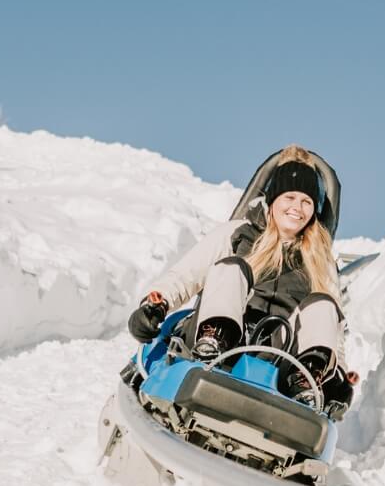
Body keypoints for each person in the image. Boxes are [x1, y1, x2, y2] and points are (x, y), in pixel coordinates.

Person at [128, 146, 356, 418]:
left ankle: (305, 383)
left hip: (279, 356)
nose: (297, 208)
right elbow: (184, 276)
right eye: (290, 197)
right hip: (218, 343)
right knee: (232, 268)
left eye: (306, 201)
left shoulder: (319, 260)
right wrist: (156, 304)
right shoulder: (236, 234)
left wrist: (338, 374)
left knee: (323, 304)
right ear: (272, 200)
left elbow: (331, 328)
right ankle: (213, 342)